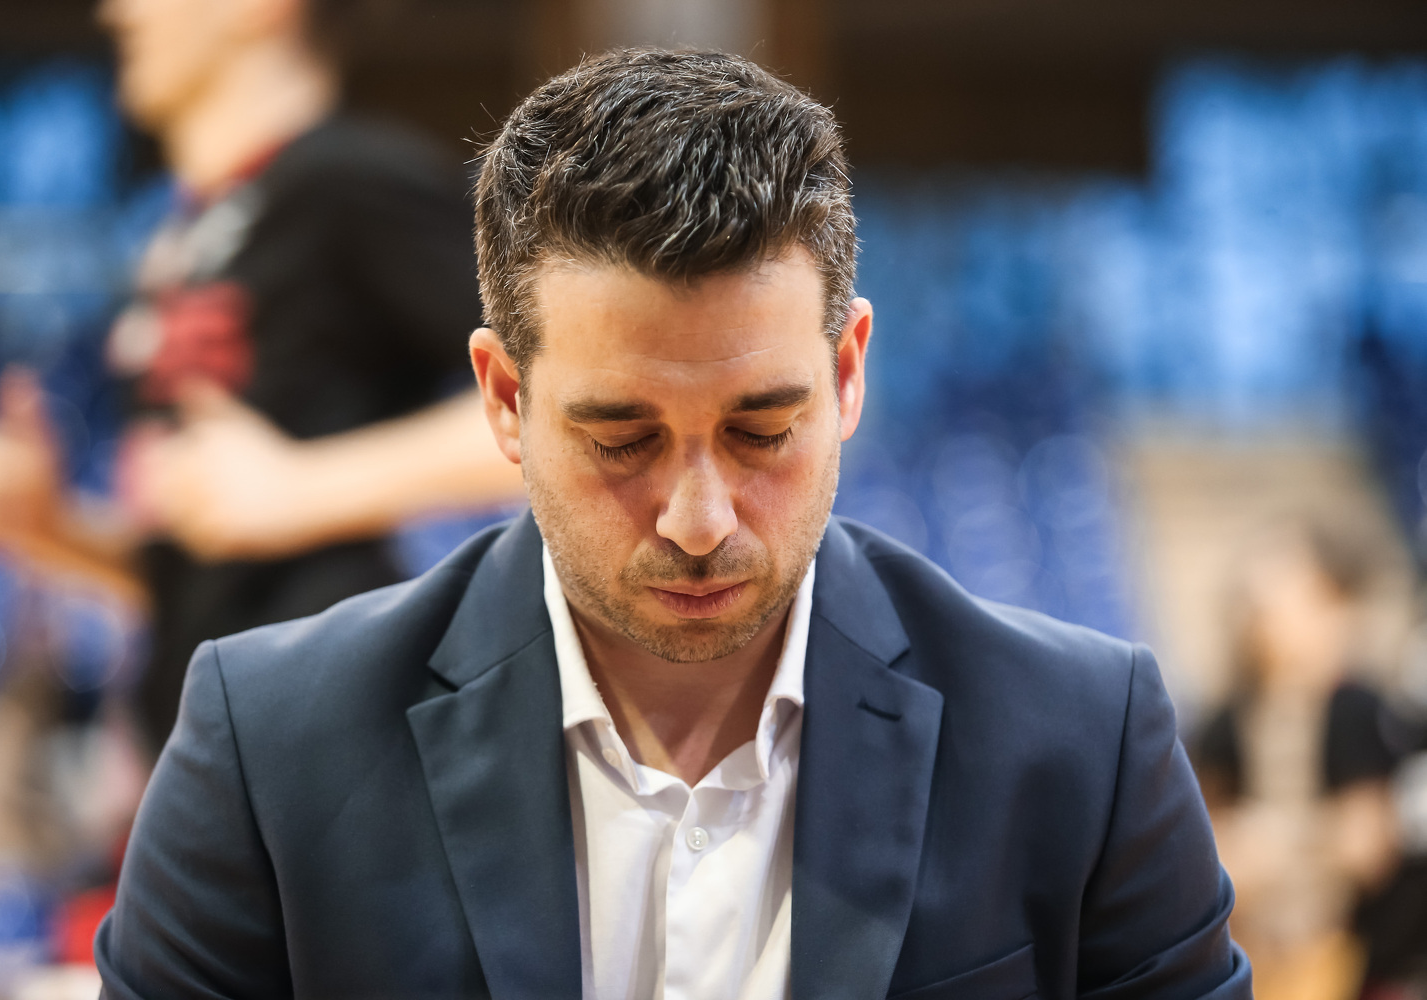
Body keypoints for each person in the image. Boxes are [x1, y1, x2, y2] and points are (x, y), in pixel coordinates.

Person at [95, 49, 1252, 999]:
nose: (699, 520)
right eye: (622, 439)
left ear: (848, 373)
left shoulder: (1083, 743)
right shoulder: (269, 748)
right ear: (504, 399)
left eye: (761, 431)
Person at [0, 0, 522, 757]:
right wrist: (51, 529)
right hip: (213, 754)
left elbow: (565, 403)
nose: (118, 12)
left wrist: (301, 487)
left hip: (329, 749)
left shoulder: (347, 179)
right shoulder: (184, 233)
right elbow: (216, 567)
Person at [1193, 518, 1421, 1000]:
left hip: (1355, 953)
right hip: (1262, 956)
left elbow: (1367, 845)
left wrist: (1276, 840)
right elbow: (1208, 853)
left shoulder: (1356, 707)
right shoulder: (1227, 720)